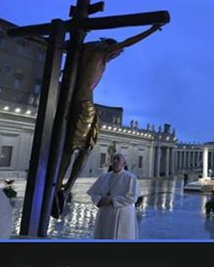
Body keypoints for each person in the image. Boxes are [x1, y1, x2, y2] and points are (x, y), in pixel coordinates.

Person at [51, 23, 165, 218]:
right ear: (109, 47)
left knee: (69, 148)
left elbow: (54, 45)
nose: (115, 56)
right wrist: (153, 28)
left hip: (69, 100)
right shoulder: (100, 52)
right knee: (84, 148)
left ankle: (58, 184)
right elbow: (130, 41)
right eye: (116, 53)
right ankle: (65, 188)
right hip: (84, 103)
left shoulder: (81, 49)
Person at [86, 152, 140, 239]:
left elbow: (132, 198)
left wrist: (112, 200)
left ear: (124, 163)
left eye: (118, 159)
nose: (115, 161)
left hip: (122, 214)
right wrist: (99, 200)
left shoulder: (131, 178)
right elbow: (94, 194)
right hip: (105, 214)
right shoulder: (104, 177)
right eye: (114, 159)